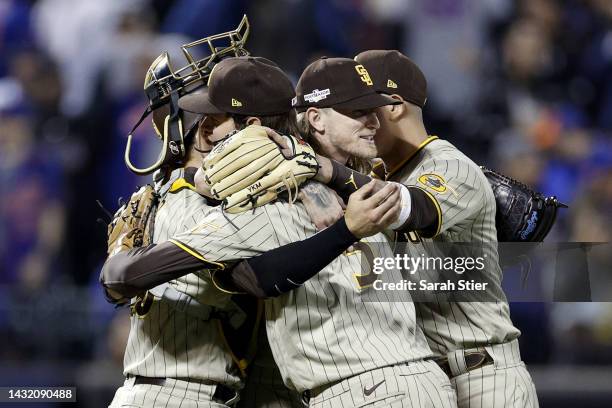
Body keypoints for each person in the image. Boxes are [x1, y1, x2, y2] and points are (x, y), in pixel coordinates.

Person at [101, 56, 458, 408]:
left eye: (215, 119)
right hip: (401, 380)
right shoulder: (354, 185)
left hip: (367, 387)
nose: (207, 130)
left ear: (254, 127)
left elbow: (123, 277)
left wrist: (342, 225)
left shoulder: (265, 203)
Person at [353, 50, 539, 408]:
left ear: (393, 106)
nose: (355, 120)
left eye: (361, 109)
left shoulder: (449, 165)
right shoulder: (379, 175)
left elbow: (411, 208)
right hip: (423, 381)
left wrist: (326, 172)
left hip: (485, 376)